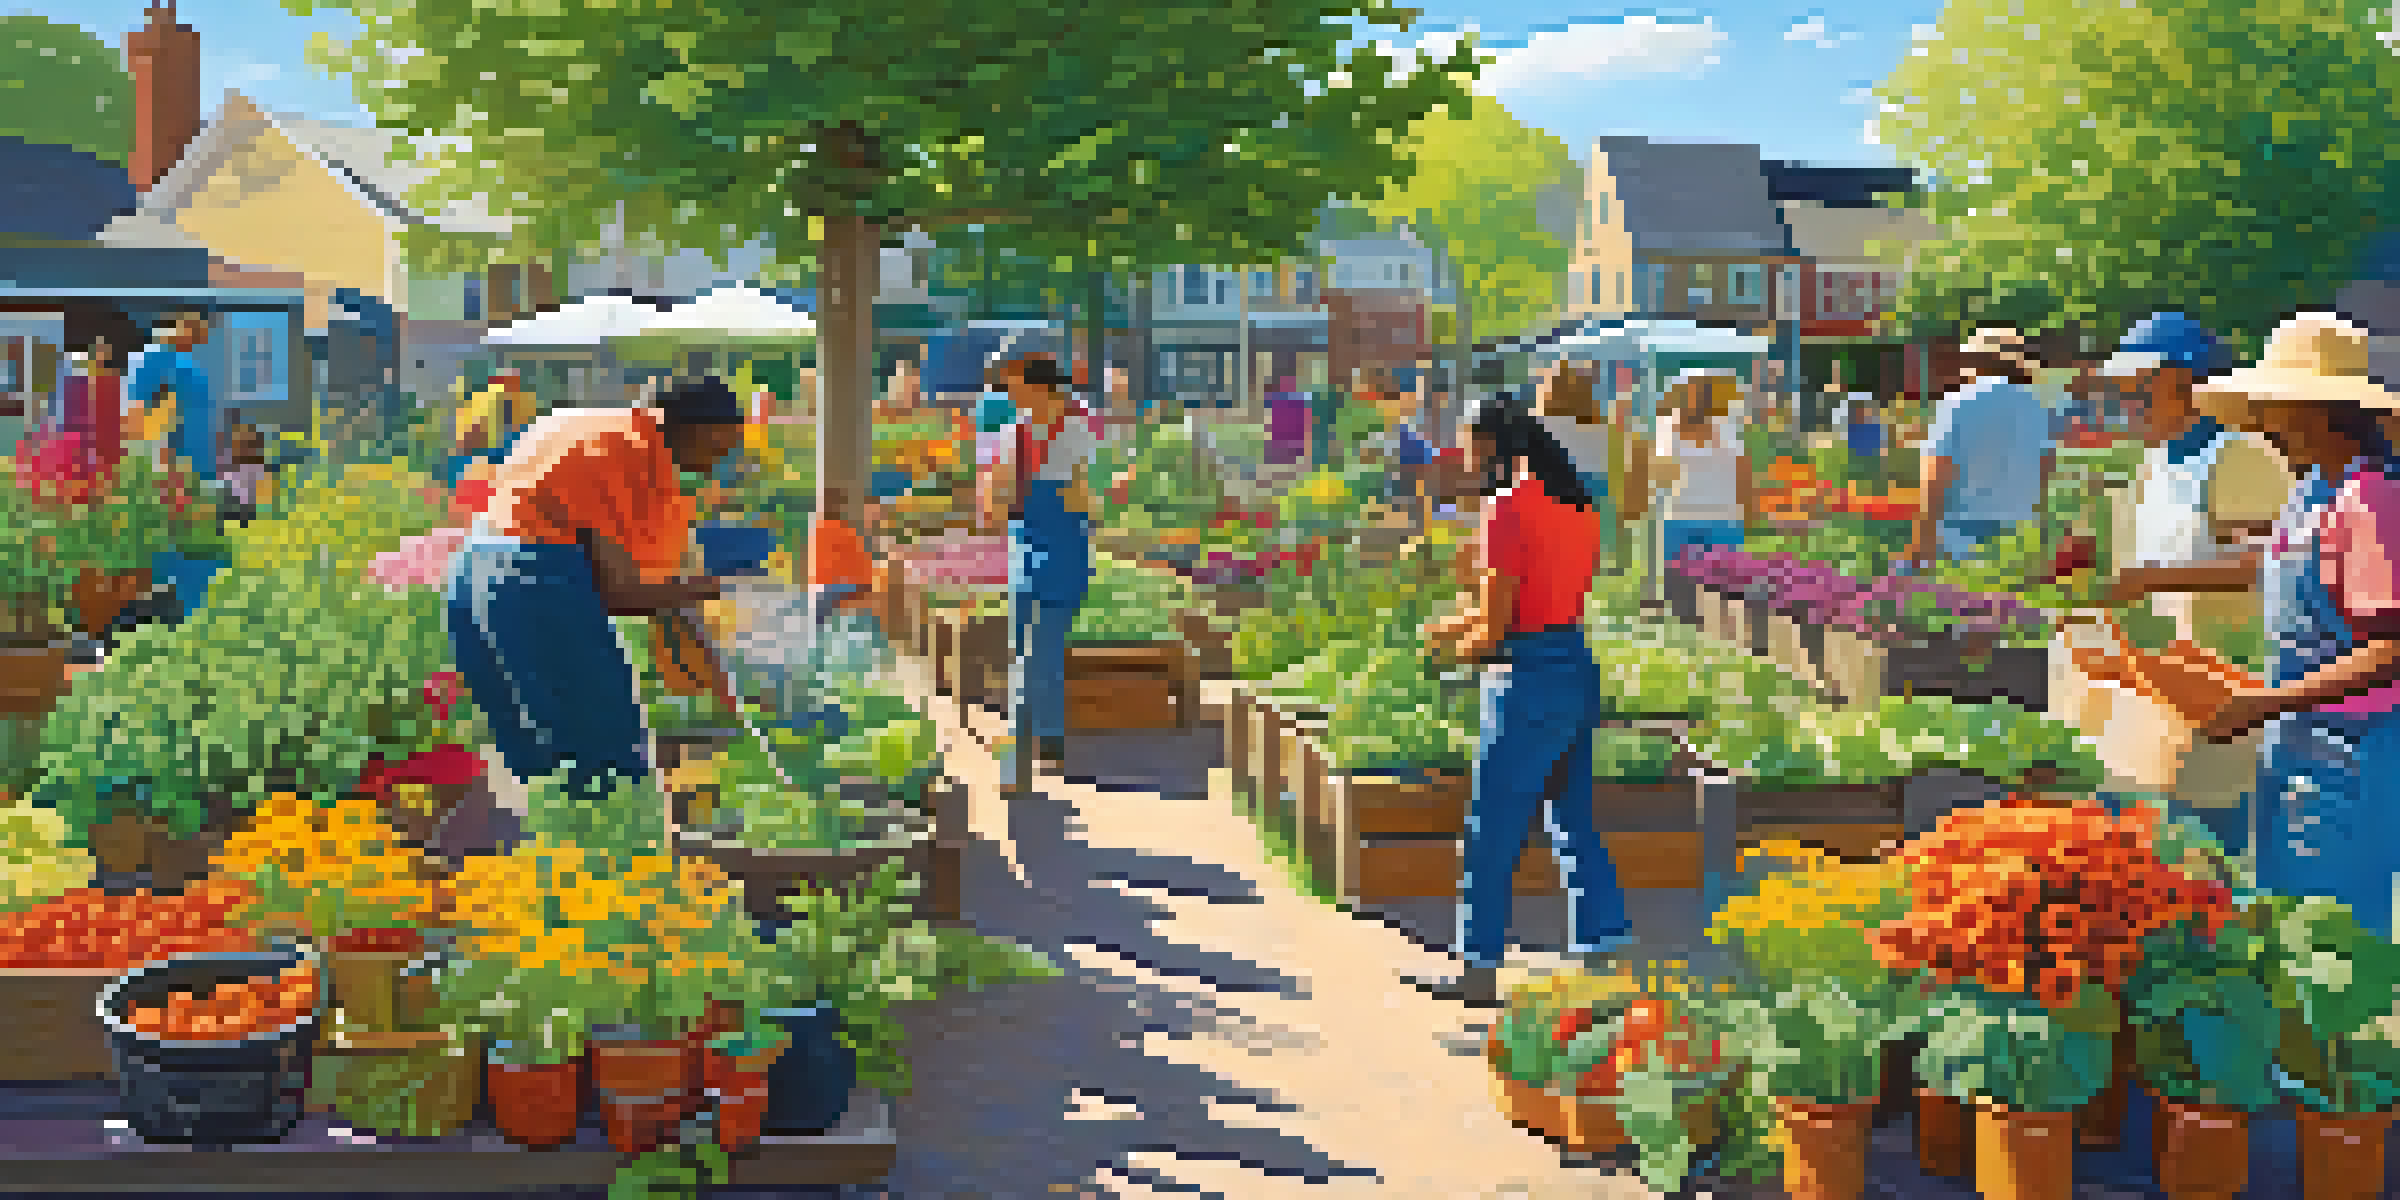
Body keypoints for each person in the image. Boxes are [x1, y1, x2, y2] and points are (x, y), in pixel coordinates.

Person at [1412, 391, 1630, 1007]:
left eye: (1469, 442)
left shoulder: (1505, 507)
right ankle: (1602, 953)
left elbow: (1496, 627)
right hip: (1572, 665)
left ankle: (1477, 968)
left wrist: (1445, 646)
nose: (1464, 454)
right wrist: (1466, 615)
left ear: (1489, 445)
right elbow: (1541, 604)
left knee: (1492, 830)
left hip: (1524, 678)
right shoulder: (1578, 502)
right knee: (1573, 821)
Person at [2188, 313, 2400, 938]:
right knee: (2289, 936)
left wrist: (2267, 700)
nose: (2268, 425)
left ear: (2325, 410)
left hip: (2348, 758)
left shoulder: (2370, 501)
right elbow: (2282, 578)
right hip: (2295, 744)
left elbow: (2390, 647)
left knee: (2335, 945)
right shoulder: (2311, 492)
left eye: (2281, 408)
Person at [445, 376, 742, 799]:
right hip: (531, 578)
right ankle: (616, 859)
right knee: (605, 753)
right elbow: (624, 592)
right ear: (679, 425)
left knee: (534, 753)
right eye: (715, 446)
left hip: (473, 574)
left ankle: (544, 858)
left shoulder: (587, 425)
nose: (718, 462)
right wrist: (719, 589)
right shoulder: (629, 453)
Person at [978, 354, 1134, 773]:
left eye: (1015, 385)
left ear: (1042, 388)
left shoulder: (1081, 430)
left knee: (1043, 639)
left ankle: (1026, 739)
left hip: (1064, 543)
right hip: (1025, 538)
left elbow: (1097, 495)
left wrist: (1086, 499)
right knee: (1021, 633)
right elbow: (1001, 491)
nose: (1009, 393)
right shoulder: (1016, 434)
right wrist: (996, 496)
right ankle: (1042, 737)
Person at [1910, 328, 2055, 566]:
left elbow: (1936, 473)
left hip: (1963, 538)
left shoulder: (1956, 402)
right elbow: (2046, 468)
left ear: (1974, 361)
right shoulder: (2036, 406)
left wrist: (1922, 540)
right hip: (2020, 538)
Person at [1653, 369, 1753, 562]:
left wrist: (1746, 512)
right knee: (1679, 587)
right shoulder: (1666, 426)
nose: (1697, 397)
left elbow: (1742, 471)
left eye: (1702, 391)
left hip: (1722, 518)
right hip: (1680, 517)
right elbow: (1661, 473)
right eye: (1691, 391)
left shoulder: (1728, 425)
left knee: (1725, 587)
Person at [1530, 361, 1622, 565]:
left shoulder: (1538, 426)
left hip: (1550, 504)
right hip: (1594, 508)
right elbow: (1615, 477)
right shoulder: (1604, 430)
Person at [125, 312, 214, 477]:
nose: (200, 335)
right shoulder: (158, 358)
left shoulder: (190, 362)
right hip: (173, 453)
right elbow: (139, 408)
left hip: (198, 452)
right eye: (193, 329)